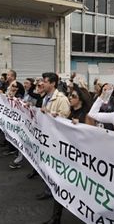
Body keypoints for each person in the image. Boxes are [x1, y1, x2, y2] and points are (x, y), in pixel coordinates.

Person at [43, 86, 92, 224]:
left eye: (73, 96)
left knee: (83, 193)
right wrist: (56, 118)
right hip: (67, 157)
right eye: (70, 95)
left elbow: (92, 137)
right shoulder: (70, 112)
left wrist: (81, 127)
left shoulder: (87, 115)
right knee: (60, 186)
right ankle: (55, 218)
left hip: (81, 160)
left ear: (81, 99)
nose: (70, 98)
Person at [36, 72, 70, 201]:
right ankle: (49, 187)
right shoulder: (45, 97)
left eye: (45, 81)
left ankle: (54, 190)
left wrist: (49, 113)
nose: (42, 83)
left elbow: (65, 120)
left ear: (53, 83)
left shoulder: (61, 99)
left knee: (54, 166)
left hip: (56, 140)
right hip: (47, 137)